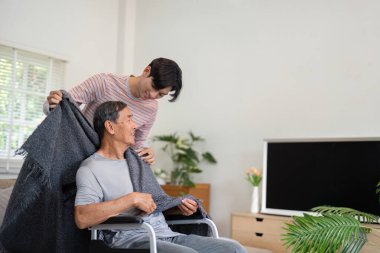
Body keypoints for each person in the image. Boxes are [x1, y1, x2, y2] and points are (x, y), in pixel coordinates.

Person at [74, 101, 246, 253]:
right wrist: (130, 199)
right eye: (129, 119)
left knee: (233, 248)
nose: (135, 126)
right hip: (129, 239)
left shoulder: (137, 163)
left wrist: (176, 207)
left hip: (166, 234)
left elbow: (152, 204)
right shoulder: (91, 168)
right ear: (110, 127)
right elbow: (82, 218)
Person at [44, 57, 182, 165]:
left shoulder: (151, 108)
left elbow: (139, 141)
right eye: (153, 86)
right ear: (146, 71)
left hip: (107, 166)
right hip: (73, 153)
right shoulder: (104, 82)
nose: (153, 95)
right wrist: (52, 103)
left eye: (161, 95)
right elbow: (64, 105)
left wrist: (146, 151)